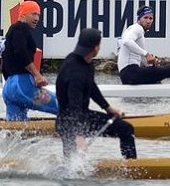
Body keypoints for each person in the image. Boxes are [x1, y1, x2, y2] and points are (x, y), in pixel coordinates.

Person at [56, 28, 137, 159]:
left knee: (125, 129)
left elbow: (92, 88)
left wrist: (109, 109)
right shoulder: (75, 72)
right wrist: (79, 135)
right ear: (95, 48)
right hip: (68, 122)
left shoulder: (85, 63)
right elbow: (73, 105)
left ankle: (130, 165)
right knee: (72, 160)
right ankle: (133, 170)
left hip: (81, 117)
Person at [0, 0, 58, 121]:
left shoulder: (9, 34)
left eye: (38, 15)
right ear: (22, 15)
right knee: (63, 106)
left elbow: (5, 62)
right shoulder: (22, 28)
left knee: (16, 132)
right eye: (33, 14)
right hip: (22, 86)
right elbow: (20, 53)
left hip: (9, 90)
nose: (37, 18)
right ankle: (85, 131)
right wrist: (37, 75)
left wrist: (12, 85)